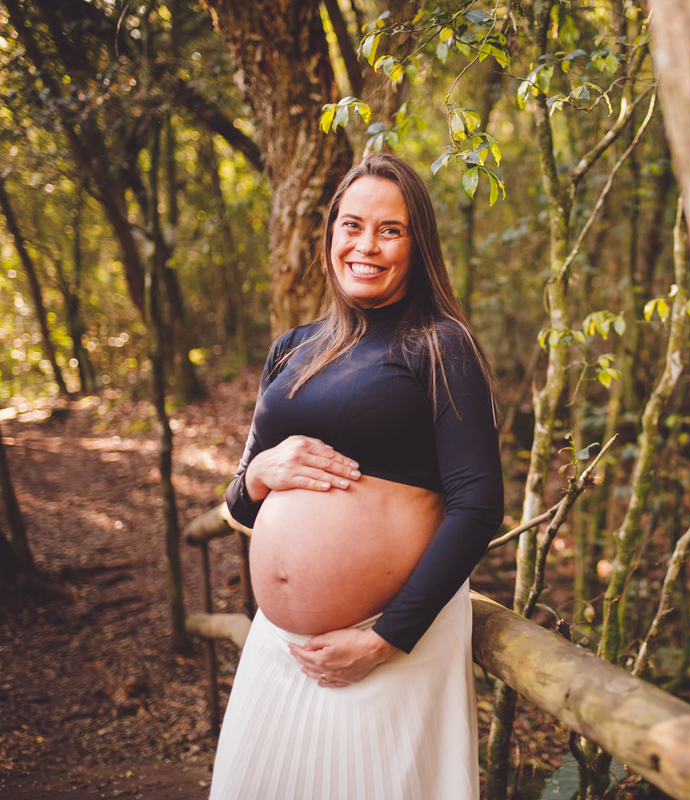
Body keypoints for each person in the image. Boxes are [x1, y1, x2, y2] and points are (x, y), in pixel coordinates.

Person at [209, 153, 504, 800]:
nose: (365, 245)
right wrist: (259, 472)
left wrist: (384, 636)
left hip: (386, 650)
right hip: (277, 649)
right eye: (351, 225)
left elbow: (478, 504)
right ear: (330, 235)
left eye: (389, 230)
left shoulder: (439, 345)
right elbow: (241, 503)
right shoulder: (292, 349)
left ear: (417, 243)